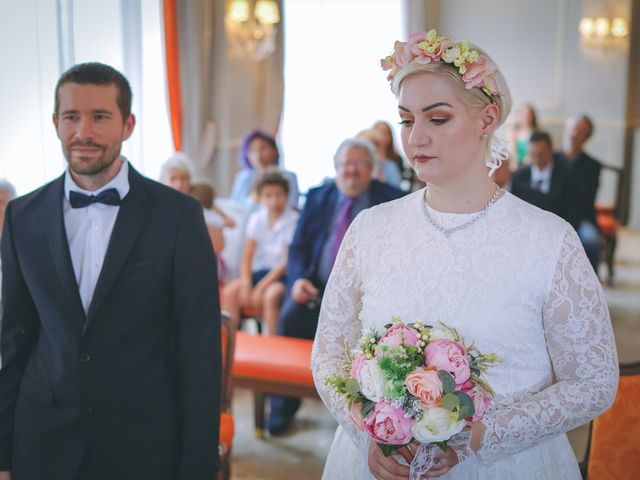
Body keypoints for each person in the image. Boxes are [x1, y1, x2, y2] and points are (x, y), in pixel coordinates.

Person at [312, 30, 617, 480]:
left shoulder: (549, 240)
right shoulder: (370, 231)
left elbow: (593, 382)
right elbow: (328, 356)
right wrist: (366, 431)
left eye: (437, 119)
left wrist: (481, 437)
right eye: (406, 120)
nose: (415, 138)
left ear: (486, 119)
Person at [0, 62, 221, 480]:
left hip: (142, 443)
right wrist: (3, 456)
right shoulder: (21, 217)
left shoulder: (179, 217)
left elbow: (200, 354)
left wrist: (196, 467)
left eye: (100, 116)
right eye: (71, 117)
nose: (84, 132)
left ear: (128, 124)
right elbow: (13, 341)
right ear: (56, 123)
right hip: (42, 440)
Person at [269, 137, 406, 436]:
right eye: (346, 165)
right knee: (289, 317)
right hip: (316, 290)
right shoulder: (319, 197)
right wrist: (299, 279)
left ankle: (375, 417)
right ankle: (283, 407)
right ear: (335, 169)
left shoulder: (393, 199)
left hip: (370, 295)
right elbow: (299, 247)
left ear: (372, 170)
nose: (352, 171)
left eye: (359, 164)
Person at [221, 168, 299, 334]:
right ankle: (230, 344)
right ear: (260, 198)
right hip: (259, 272)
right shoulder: (257, 219)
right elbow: (247, 257)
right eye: (268, 196)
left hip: (280, 276)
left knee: (270, 296)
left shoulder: (293, 219)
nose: (274, 201)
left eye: (278, 195)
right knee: (230, 292)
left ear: (286, 195)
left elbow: (284, 263)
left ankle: (274, 345)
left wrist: (261, 287)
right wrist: (246, 283)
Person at [557, 115, 603, 274]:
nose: (573, 134)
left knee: (591, 240)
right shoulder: (553, 159)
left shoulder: (593, 166)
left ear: (587, 137)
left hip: (582, 218)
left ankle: (592, 288)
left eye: (579, 131)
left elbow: (586, 200)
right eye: (571, 128)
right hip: (554, 216)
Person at [229, 130, 300, 209]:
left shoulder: (289, 176)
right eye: (253, 150)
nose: (258, 154)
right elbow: (235, 206)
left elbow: (292, 206)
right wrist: (252, 200)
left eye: (263, 148)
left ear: (274, 150)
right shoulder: (244, 176)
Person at [510, 131, 568, 218]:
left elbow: (570, 208)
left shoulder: (565, 175)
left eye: (541, 155)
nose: (537, 159)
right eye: (533, 155)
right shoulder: (519, 176)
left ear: (551, 150)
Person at [373, 120, 412, 190]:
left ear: (390, 136)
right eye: (379, 132)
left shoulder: (396, 159)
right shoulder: (367, 158)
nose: (382, 136)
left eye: (385, 133)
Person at [507, 102, 539, 170]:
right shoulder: (513, 132)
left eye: (528, 115)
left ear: (532, 117)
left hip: (532, 165)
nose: (525, 118)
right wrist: (515, 165)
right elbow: (512, 153)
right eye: (522, 115)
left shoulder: (537, 132)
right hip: (516, 165)